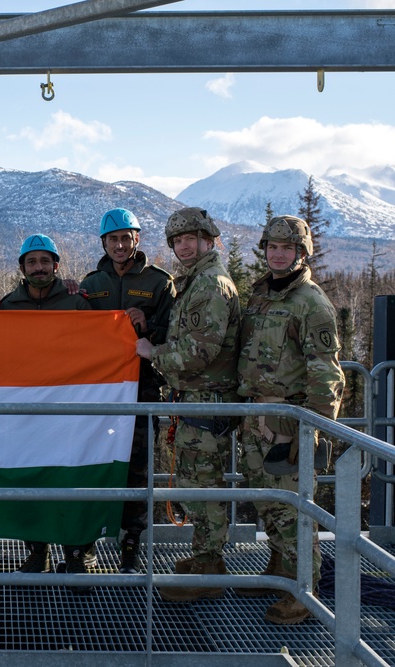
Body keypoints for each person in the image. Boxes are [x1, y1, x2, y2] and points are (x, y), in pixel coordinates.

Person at [236, 215, 344, 625]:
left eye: (287, 248)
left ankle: (305, 592)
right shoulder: (262, 295)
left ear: (301, 253)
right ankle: (280, 571)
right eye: (273, 247)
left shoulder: (310, 302)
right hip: (258, 416)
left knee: (294, 510)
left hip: (288, 420)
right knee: (268, 502)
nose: (278, 254)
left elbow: (327, 372)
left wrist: (312, 428)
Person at [134, 208, 240, 600]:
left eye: (190, 239)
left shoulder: (210, 285)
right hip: (194, 400)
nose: (183, 246)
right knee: (196, 484)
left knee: (205, 488)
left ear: (208, 240)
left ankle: (208, 570)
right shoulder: (195, 283)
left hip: (205, 401)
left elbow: (200, 352)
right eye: (178, 241)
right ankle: (204, 559)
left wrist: (152, 353)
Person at [79, 208, 175, 574]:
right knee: (91, 461)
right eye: (113, 238)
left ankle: (131, 542)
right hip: (98, 393)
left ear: (137, 240)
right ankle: (85, 541)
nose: (120, 245)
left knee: (138, 468)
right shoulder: (91, 283)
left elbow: (173, 331)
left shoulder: (159, 282)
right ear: (103, 242)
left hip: (143, 390)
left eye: (126, 238)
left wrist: (146, 325)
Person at [0, 234, 91, 574]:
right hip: (26, 412)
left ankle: (76, 554)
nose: (39, 268)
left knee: (69, 481)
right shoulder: (8, 305)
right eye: (32, 262)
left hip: (68, 409)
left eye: (45, 261)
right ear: (22, 267)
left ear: (56, 264)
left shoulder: (77, 303)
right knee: (29, 479)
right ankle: (37, 552)